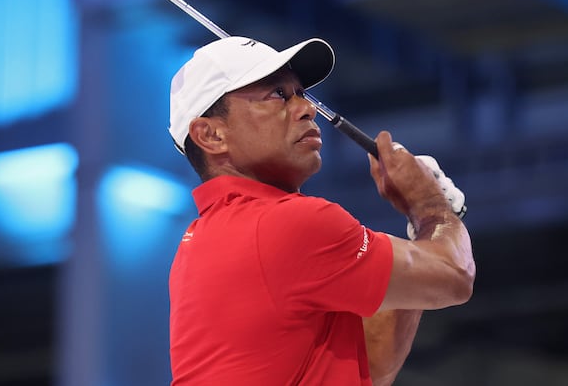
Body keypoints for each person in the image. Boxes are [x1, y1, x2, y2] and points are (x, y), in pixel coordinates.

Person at [167, 36, 475, 385]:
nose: (306, 108)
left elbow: (372, 364)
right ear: (211, 135)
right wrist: (431, 207)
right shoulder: (290, 224)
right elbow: (455, 277)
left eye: (301, 93)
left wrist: (422, 220)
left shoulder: (203, 243)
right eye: (278, 95)